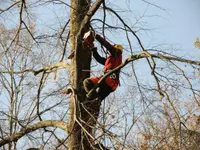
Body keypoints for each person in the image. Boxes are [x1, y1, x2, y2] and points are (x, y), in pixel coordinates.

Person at [83, 31, 123, 101]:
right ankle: (93, 106)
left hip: (108, 79)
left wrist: (97, 37)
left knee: (87, 82)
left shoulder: (116, 53)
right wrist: (93, 49)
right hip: (112, 85)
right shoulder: (113, 61)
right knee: (97, 100)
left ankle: (92, 99)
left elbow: (107, 45)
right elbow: (99, 59)